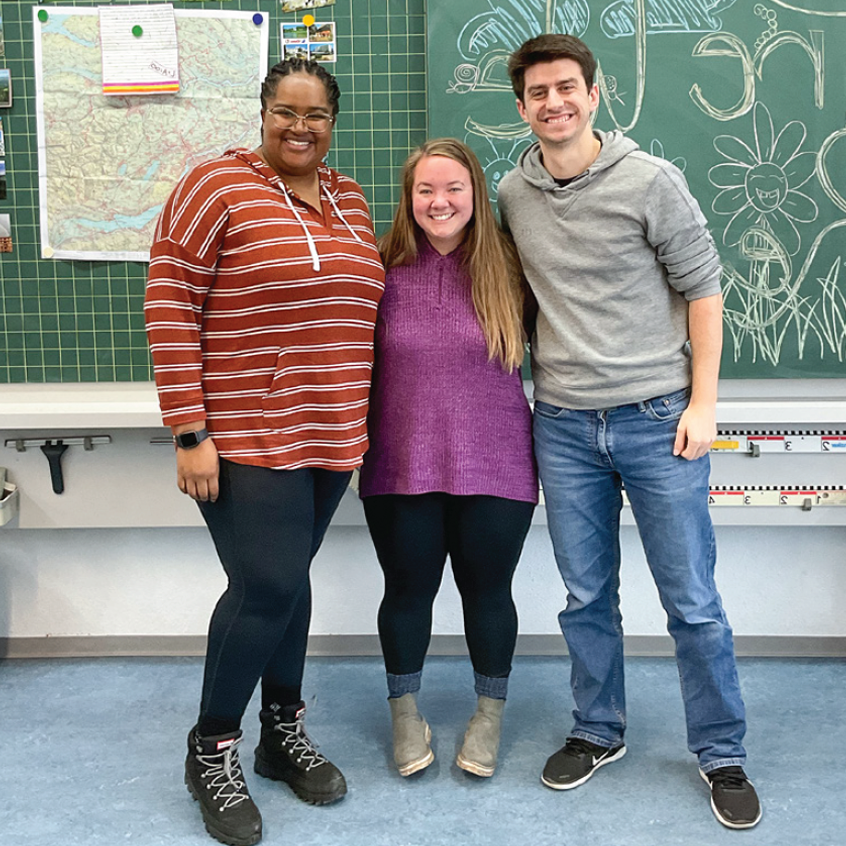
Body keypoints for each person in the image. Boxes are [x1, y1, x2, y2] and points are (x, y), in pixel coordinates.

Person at [497, 35, 761, 829]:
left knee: (692, 599)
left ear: (595, 94)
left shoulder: (652, 181)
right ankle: (597, 729)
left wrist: (703, 403)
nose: (554, 102)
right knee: (585, 597)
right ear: (522, 106)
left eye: (567, 87)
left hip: (658, 418)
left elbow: (705, 290)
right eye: (539, 92)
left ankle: (721, 752)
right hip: (565, 423)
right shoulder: (513, 193)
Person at [144, 58, 385, 846]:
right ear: (263, 111)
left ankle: (284, 733)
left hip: (330, 432)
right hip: (244, 433)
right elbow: (170, 300)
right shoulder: (214, 187)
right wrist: (189, 430)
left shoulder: (349, 199)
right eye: (286, 111)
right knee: (268, 584)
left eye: (315, 115)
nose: (300, 127)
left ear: (333, 121)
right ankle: (212, 749)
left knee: (287, 587)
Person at [359, 138, 538, 779]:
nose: (440, 201)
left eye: (454, 188)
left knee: (488, 592)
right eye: (426, 190)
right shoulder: (377, 268)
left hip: (498, 462)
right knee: (408, 590)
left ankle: (487, 716)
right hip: (399, 464)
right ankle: (406, 713)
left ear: (476, 195)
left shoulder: (512, 269)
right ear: (408, 199)